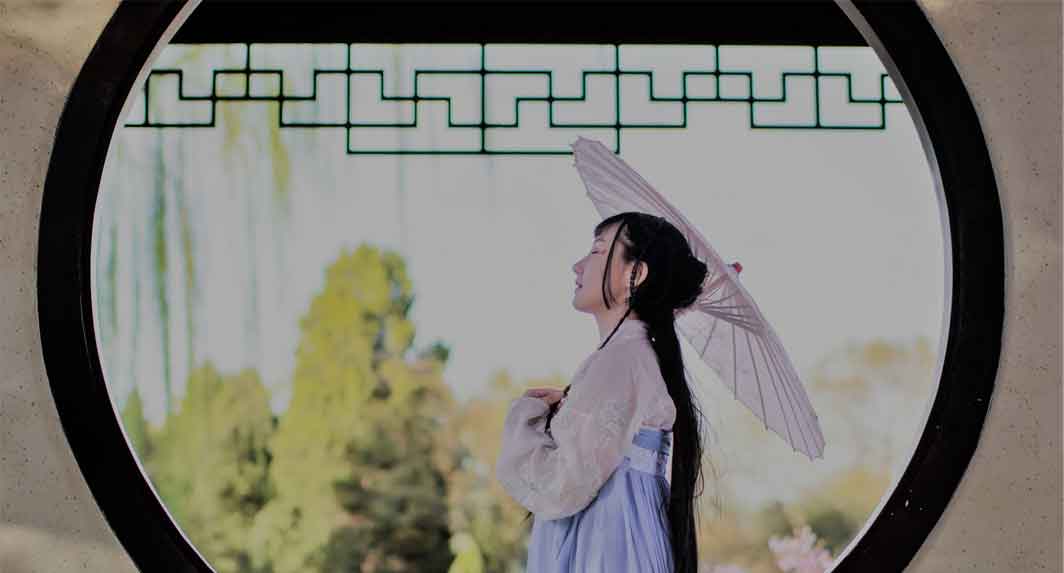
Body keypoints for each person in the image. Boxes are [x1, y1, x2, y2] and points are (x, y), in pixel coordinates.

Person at [495, 211, 711, 573]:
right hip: (619, 532)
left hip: (605, 539)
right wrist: (571, 405)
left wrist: (526, 415)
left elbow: (561, 486)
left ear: (635, 274)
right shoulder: (633, 356)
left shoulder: (621, 358)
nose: (577, 266)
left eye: (596, 251)